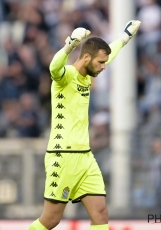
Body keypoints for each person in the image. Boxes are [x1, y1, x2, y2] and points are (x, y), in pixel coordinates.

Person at [28, 20, 141, 230]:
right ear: (86, 57)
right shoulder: (66, 76)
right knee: (51, 219)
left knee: (100, 214)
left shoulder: (87, 76)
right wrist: (69, 45)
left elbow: (110, 53)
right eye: (100, 62)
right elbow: (54, 67)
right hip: (62, 156)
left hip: (85, 157)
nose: (103, 67)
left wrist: (125, 37)